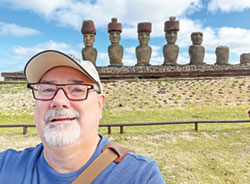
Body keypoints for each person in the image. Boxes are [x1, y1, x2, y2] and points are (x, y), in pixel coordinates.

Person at [0, 50, 165, 183]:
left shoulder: (140, 177)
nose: (58, 101)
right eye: (47, 89)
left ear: (99, 104)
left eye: (77, 89)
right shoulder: (4, 165)